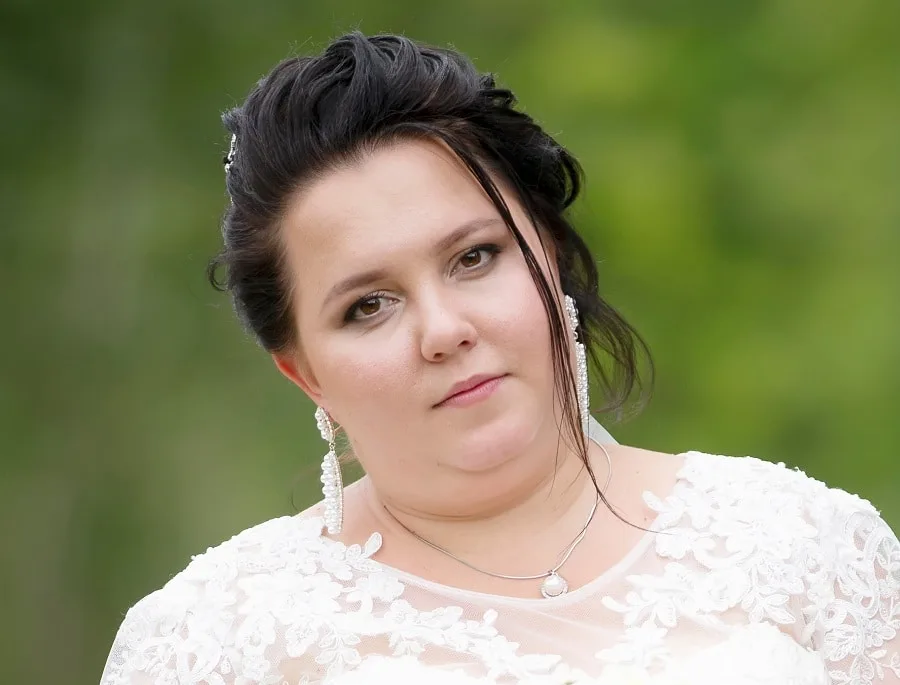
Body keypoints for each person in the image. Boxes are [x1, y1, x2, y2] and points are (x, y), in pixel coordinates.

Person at [98, 32, 899, 685]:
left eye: (474, 257)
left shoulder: (808, 546)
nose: (443, 329)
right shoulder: (211, 642)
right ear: (304, 372)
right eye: (367, 305)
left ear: (547, 255)